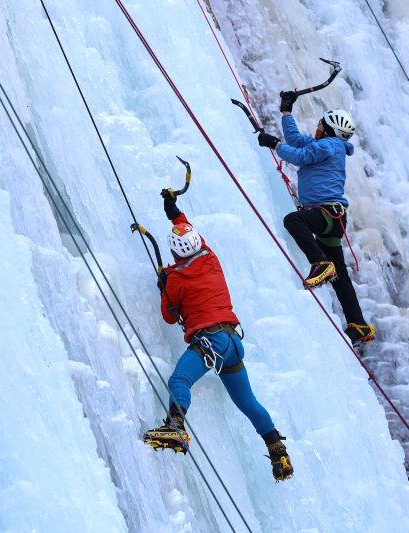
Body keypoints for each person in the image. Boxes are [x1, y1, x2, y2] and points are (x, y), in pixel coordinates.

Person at [142, 189, 293, 482]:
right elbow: (191, 233)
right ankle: (278, 453)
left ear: (174, 252)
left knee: (180, 380)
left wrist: (163, 286)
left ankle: (175, 426)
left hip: (209, 341)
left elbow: (170, 316)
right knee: (248, 402)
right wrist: (174, 211)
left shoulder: (175, 279)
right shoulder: (210, 257)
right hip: (232, 343)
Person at [257, 92, 375, 346]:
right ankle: (358, 324)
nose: (318, 126)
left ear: (330, 129)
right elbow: (298, 141)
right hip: (331, 218)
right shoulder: (325, 146)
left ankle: (320, 263)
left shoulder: (330, 146)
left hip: (325, 212)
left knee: (293, 221)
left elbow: (298, 155)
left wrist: (274, 144)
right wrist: (287, 112)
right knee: (340, 277)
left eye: (322, 124)